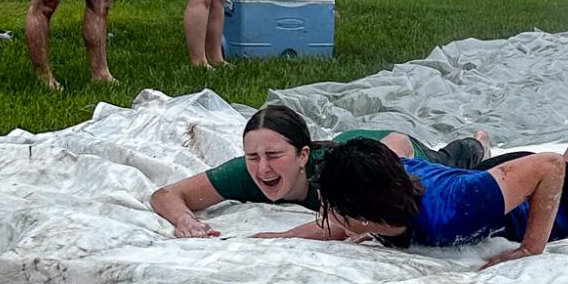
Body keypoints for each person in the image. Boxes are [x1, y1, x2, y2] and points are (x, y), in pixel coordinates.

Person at [292, 48, 568, 261]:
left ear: (368, 211)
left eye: (341, 214)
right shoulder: (383, 173)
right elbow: (341, 209)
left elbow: (549, 166)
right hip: (499, 178)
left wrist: (529, 249)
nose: (331, 221)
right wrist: (266, 240)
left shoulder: (453, 212)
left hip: (537, 194)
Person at [150, 105, 490, 238]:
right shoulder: (247, 172)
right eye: (252, 156)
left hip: (399, 151)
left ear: (303, 155)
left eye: (273, 155)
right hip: (357, 144)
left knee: (454, 163)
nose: (263, 168)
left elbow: (344, 224)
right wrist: (185, 219)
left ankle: (478, 143)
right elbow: (167, 194)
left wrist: (276, 238)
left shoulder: (335, 170)